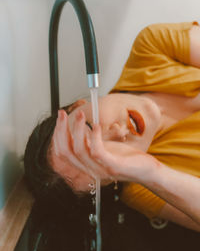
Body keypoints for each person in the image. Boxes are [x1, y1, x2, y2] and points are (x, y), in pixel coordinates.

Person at [24, 21, 200, 234]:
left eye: (89, 127)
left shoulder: (150, 48)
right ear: (113, 180)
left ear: (79, 105)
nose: (119, 133)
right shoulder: (144, 189)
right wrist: (153, 173)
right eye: (102, 159)